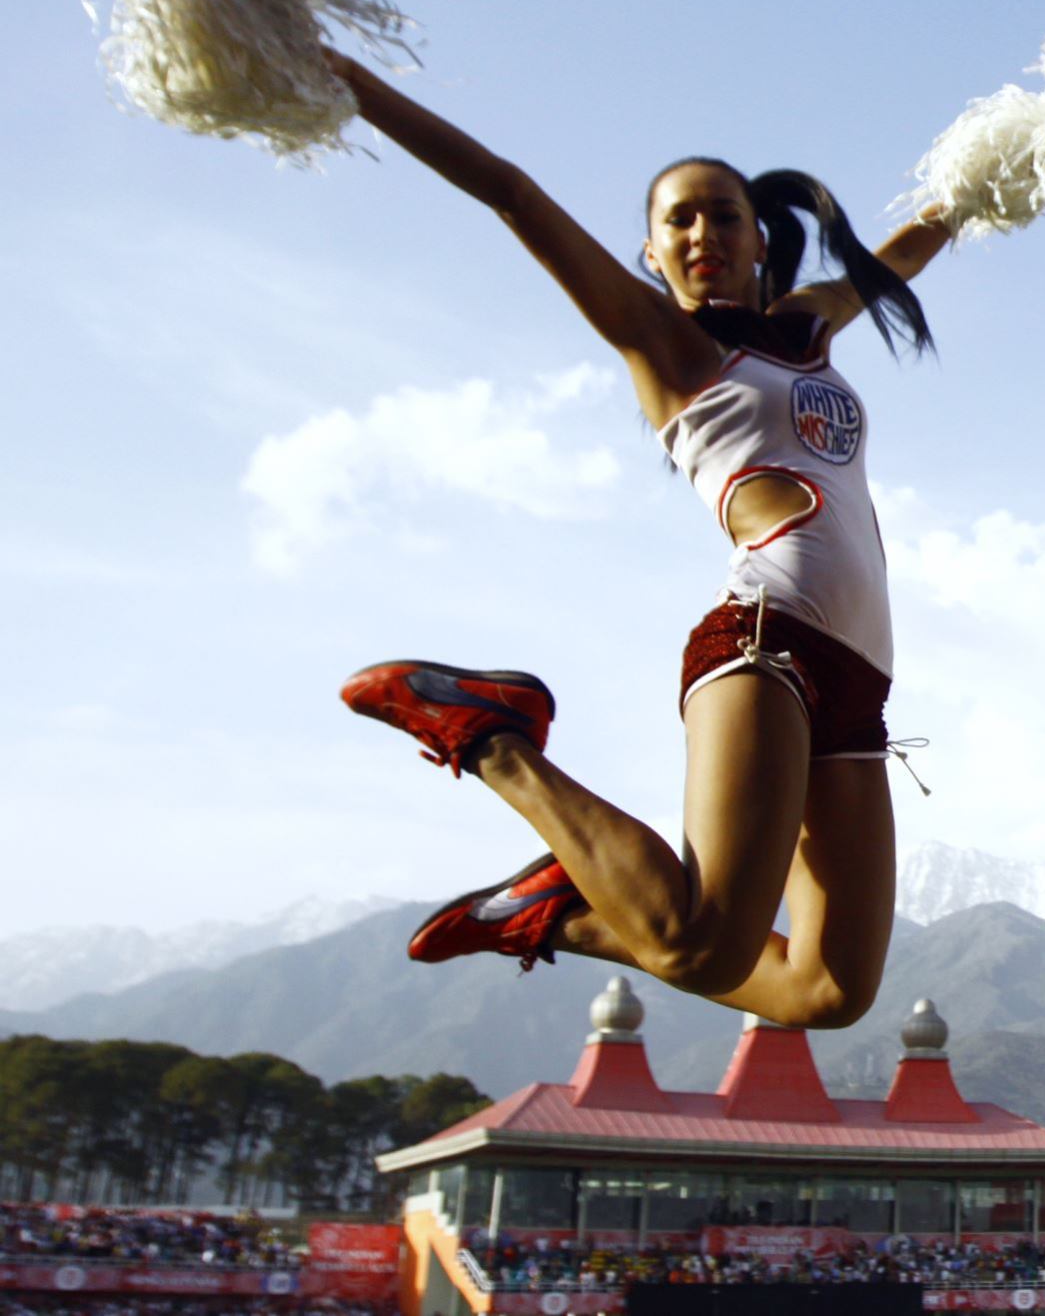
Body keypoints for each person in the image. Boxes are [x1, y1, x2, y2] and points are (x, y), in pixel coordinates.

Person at [324, 49, 950, 1026]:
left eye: (724, 215)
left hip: (861, 674)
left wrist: (1032, 151)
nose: (703, 233)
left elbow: (909, 247)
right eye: (679, 220)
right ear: (651, 255)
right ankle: (491, 738)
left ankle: (563, 903)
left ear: (759, 240)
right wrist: (344, 80)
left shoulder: (807, 324)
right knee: (697, 943)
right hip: (767, 637)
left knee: (828, 991)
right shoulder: (667, 343)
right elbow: (510, 191)